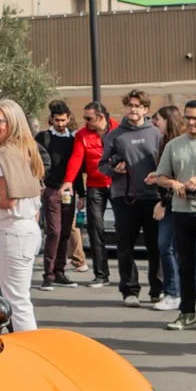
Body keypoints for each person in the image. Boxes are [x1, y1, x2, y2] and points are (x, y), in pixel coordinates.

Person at [147, 100, 196, 332]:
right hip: (181, 210)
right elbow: (160, 176)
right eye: (188, 118)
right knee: (185, 264)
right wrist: (173, 183)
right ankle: (187, 313)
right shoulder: (173, 145)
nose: (191, 122)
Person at [0, 100, 45, 331]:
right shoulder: (25, 150)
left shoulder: (7, 154)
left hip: (13, 230)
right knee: (19, 297)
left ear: (11, 123)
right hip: (24, 229)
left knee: (16, 300)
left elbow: (8, 201)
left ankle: (31, 354)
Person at [101, 91, 163, 306]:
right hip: (124, 197)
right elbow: (103, 165)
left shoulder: (156, 134)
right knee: (125, 246)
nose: (133, 110)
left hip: (153, 197)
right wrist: (114, 168)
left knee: (156, 246)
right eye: (130, 106)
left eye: (138, 106)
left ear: (145, 109)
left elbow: (165, 163)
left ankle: (158, 289)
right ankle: (129, 290)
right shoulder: (114, 135)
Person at [62, 102, 112, 284]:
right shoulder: (82, 135)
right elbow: (76, 158)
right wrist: (68, 180)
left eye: (89, 118)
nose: (85, 121)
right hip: (95, 185)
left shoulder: (117, 129)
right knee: (95, 228)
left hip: (117, 183)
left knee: (124, 230)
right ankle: (101, 275)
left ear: (101, 117)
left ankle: (128, 278)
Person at [35, 102, 80, 287]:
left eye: (63, 120)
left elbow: (76, 167)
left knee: (65, 231)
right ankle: (49, 274)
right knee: (54, 231)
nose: (60, 124)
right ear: (51, 119)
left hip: (69, 190)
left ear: (69, 118)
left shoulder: (73, 140)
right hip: (51, 189)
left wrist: (81, 193)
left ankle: (59, 271)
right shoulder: (43, 138)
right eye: (57, 120)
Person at [149, 105, 189, 312]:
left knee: (167, 247)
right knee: (172, 248)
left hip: (175, 203)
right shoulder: (167, 143)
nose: (155, 123)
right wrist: (155, 177)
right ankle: (179, 292)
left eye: (158, 119)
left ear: (168, 120)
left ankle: (175, 293)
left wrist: (163, 203)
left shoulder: (175, 144)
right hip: (170, 200)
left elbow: (176, 178)